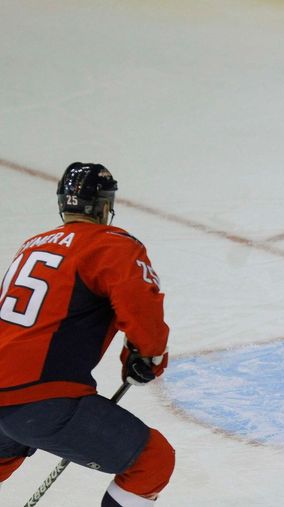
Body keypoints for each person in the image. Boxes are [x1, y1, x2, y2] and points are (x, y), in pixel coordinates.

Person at [0, 163, 174, 505]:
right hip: (41, 398)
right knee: (153, 461)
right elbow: (139, 305)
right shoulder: (111, 243)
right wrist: (144, 356)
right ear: (105, 206)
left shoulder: (32, 246)